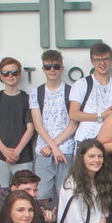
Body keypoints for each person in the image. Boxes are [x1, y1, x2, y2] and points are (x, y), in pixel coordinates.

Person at [29, 49, 77, 208]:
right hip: (44, 150)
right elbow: (38, 125)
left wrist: (55, 147)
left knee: (66, 194)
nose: (52, 70)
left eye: (56, 66)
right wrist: (52, 147)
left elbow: (73, 124)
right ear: (43, 69)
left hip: (66, 149)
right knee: (41, 194)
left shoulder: (71, 92)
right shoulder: (36, 93)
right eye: (48, 67)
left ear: (62, 68)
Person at [0, 57, 34, 186]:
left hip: (22, 156)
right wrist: (4, 151)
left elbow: (30, 128)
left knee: (25, 193)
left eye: (14, 72)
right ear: (1, 75)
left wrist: (16, 151)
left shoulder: (27, 99)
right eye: (6, 73)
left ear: (19, 75)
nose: (10, 76)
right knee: (0, 195)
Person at [69, 43, 112, 146]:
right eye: (98, 60)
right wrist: (101, 116)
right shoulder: (82, 84)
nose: (102, 63)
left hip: (109, 142)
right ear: (92, 61)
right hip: (84, 141)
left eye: (106, 59)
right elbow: (73, 114)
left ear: (111, 60)